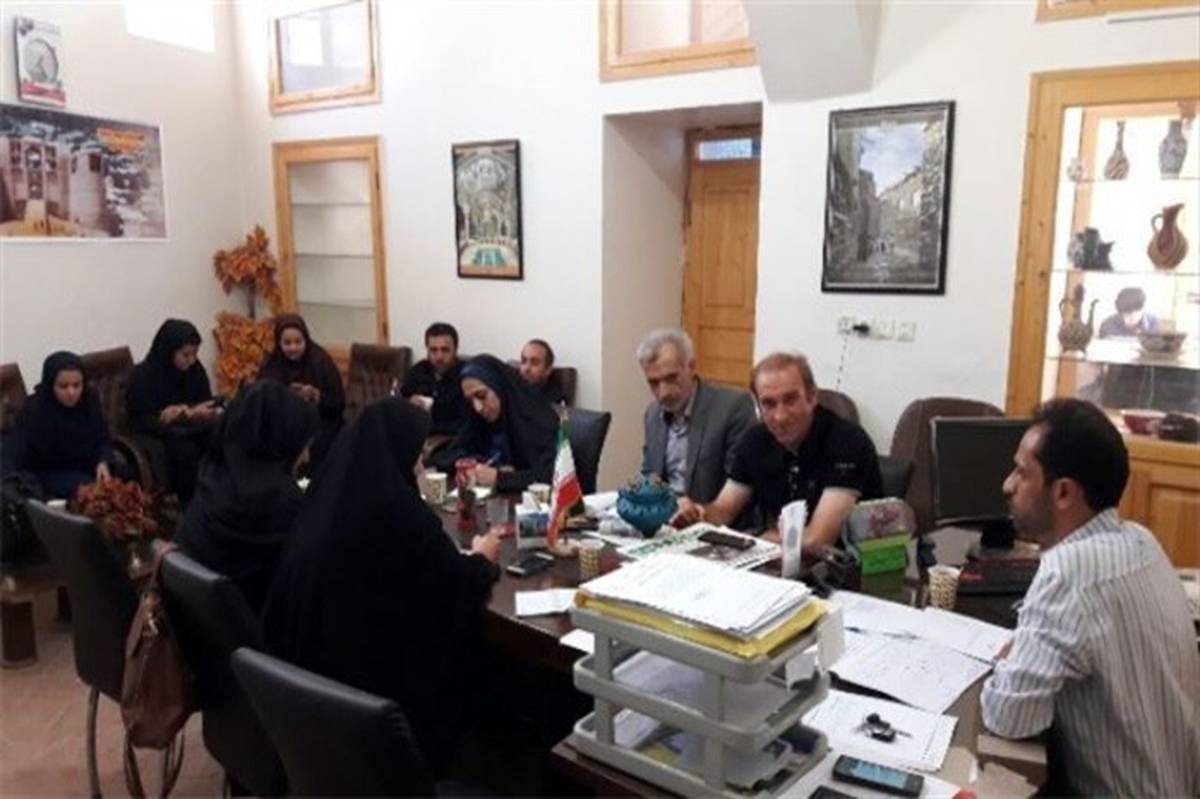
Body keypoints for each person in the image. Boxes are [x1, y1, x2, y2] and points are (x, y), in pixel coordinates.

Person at [261, 399, 501, 774]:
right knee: (481, 661)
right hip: (371, 707)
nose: (420, 466)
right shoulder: (395, 508)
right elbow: (456, 582)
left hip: (307, 698)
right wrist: (483, 556)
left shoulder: (329, 492)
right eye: (416, 456)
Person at [981, 399, 1199, 796]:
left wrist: (1010, 659)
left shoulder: (1068, 572)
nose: (1007, 485)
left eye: (1022, 473)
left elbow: (1010, 717)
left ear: (1063, 492)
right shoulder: (1142, 540)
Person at [672, 352, 882, 551]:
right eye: (769, 404)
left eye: (790, 400)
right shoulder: (754, 441)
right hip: (781, 558)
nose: (780, 416)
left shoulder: (848, 443)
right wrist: (697, 514)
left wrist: (759, 539)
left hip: (846, 567)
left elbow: (818, 540)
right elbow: (723, 511)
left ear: (812, 397)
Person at [175, 381, 318, 612]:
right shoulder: (279, 507)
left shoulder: (211, 477)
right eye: (304, 446)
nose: (306, 457)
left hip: (194, 619)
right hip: (249, 626)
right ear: (279, 440)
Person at [637, 329, 755, 509]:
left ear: (691, 367)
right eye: (654, 382)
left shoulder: (733, 408)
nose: (664, 392)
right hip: (663, 517)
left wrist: (696, 512)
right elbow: (649, 475)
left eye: (671, 378)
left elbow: (740, 486)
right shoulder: (652, 414)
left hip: (711, 517)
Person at [429, 354, 558, 493]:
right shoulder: (478, 418)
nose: (478, 407)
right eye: (470, 401)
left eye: (481, 396)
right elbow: (445, 455)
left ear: (499, 387)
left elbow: (550, 476)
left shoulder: (537, 420)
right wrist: (478, 464)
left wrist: (500, 477)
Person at [127, 319, 218, 503]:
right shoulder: (143, 376)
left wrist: (185, 411)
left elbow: (205, 401)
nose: (192, 360)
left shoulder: (194, 369)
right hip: (156, 433)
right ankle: (191, 507)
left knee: (221, 436)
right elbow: (142, 419)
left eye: (195, 353)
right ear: (169, 351)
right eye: (186, 355)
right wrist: (174, 417)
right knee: (185, 450)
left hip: (191, 427)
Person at [2, 352, 113, 499]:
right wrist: (72, 487)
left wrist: (103, 461)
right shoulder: (34, 411)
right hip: (51, 474)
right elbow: (17, 458)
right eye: (63, 386)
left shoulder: (89, 400)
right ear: (50, 385)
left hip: (88, 465)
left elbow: (103, 437)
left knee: (124, 475)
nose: (71, 392)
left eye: (77, 385)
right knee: (93, 491)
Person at [256, 314, 344, 469]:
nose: (293, 348)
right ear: (279, 343)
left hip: (320, 423)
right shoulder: (272, 365)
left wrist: (316, 395)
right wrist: (285, 397)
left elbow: (338, 404)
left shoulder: (321, 361)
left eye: (298, 342)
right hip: (282, 424)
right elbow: (261, 402)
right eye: (287, 343)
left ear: (306, 340)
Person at [399, 322, 468, 435]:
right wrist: (409, 404)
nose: (439, 357)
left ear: (455, 350)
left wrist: (429, 427)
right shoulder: (418, 371)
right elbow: (399, 403)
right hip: (415, 436)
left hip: (449, 439)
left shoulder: (466, 376)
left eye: (445, 350)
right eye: (433, 350)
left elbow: (465, 424)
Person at [519, 338, 566, 405]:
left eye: (534, 363)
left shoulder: (554, 400)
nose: (526, 368)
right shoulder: (511, 386)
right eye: (523, 361)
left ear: (548, 370)